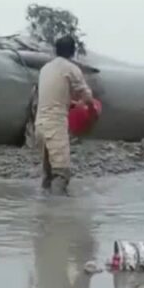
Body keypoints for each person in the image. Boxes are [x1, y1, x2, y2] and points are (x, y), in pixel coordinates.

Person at [34, 35, 95, 194]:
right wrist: (92, 110)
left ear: (56, 50)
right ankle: (58, 213)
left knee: (48, 174)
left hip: (40, 125)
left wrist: (71, 104)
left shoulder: (45, 69)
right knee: (61, 174)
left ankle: (43, 211)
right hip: (55, 126)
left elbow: (52, 97)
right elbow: (87, 96)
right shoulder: (71, 68)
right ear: (73, 52)